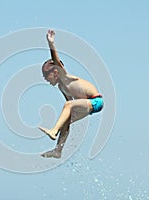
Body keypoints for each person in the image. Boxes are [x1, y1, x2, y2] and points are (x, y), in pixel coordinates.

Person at [39, 30, 104, 158]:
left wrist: (51, 43)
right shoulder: (61, 87)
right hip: (88, 104)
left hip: (96, 101)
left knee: (68, 105)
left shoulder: (65, 78)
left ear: (56, 72)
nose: (46, 79)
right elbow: (70, 106)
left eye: (47, 76)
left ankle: (53, 131)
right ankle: (58, 150)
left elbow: (55, 60)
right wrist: (66, 119)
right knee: (66, 121)